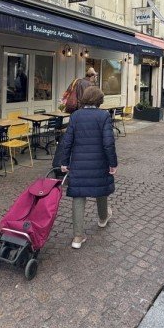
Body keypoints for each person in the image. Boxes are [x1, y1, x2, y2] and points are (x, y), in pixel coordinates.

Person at [53, 86, 117, 249]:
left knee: (78, 196)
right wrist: (112, 163)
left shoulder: (75, 116)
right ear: (99, 100)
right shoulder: (103, 116)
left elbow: (67, 141)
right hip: (99, 161)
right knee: (101, 190)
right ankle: (103, 219)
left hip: (79, 162)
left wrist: (64, 162)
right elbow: (108, 142)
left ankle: (77, 237)